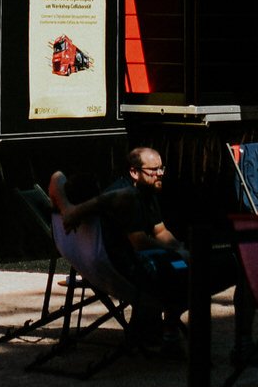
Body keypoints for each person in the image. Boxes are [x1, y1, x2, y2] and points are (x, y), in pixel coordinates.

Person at [48, 146, 191, 351]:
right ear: (134, 172)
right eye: (154, 170)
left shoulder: (145, 192)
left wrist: (178, 246)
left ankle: (160, 328)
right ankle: (166, 330)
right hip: (124, 268)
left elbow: (160, 231)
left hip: (102, 265)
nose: (160, 174)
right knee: (181, 270)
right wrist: (176, 253)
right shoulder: (125, 196)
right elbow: (139, 242)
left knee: (180, 261)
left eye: (162, 168)